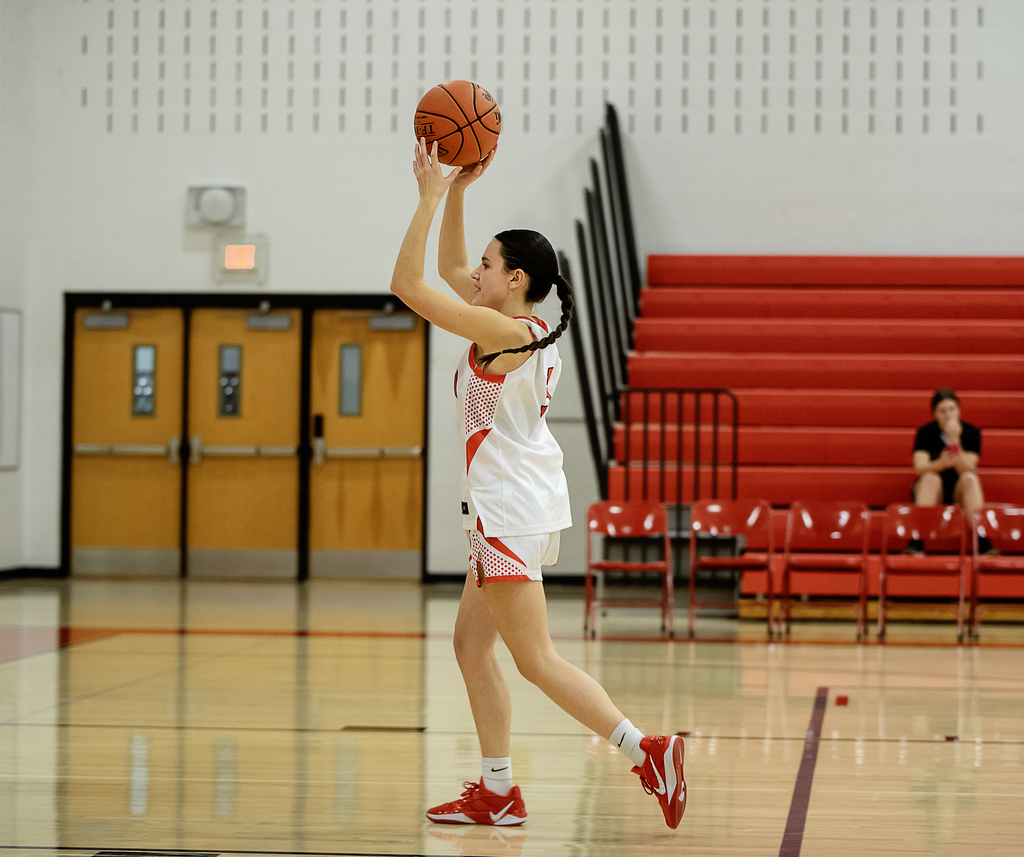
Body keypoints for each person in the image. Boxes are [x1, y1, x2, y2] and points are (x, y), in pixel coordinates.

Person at [389, 139, 686, 830]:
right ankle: (498, 792)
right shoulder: (517, 324)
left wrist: (428, 196)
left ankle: (648, 750)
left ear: (515, 277)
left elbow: (409, 284)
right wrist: (460, 187)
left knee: (537, 659)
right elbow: (447, 267)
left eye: (488, 265)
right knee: (471, 646)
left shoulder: (501, 331)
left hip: (506, 512)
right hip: (510, 508)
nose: (475, 272)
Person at [910, 388, 992, 554]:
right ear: (934, 414)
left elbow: (967, 467)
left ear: (959, 411)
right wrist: (940, 463)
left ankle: (983, 541)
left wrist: (954, 440)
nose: (948, 415)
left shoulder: (972, 432)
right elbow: (919, 468)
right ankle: (916, 541)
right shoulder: (925, 433)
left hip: (959, 490)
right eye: (942, 411)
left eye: (952, 409)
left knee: (970, 478)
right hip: (933, 489)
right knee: (930, 478)